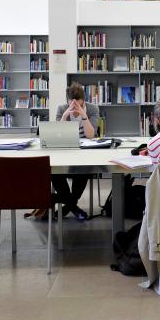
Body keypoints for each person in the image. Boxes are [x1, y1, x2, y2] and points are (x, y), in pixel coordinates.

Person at [52, 84, 99, 221]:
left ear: (83, 101)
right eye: (72, 105)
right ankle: (73, 206)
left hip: (85, 154)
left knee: (83, 170)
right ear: (67, 101)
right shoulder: (62, 109)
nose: (75, 109)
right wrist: (65, 116)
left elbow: (91, 136)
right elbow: (57, 136)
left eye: (78, 105)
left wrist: (84, 116)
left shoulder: (92, 109)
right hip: (65, 152)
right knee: (53, 172)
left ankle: (68, 206)